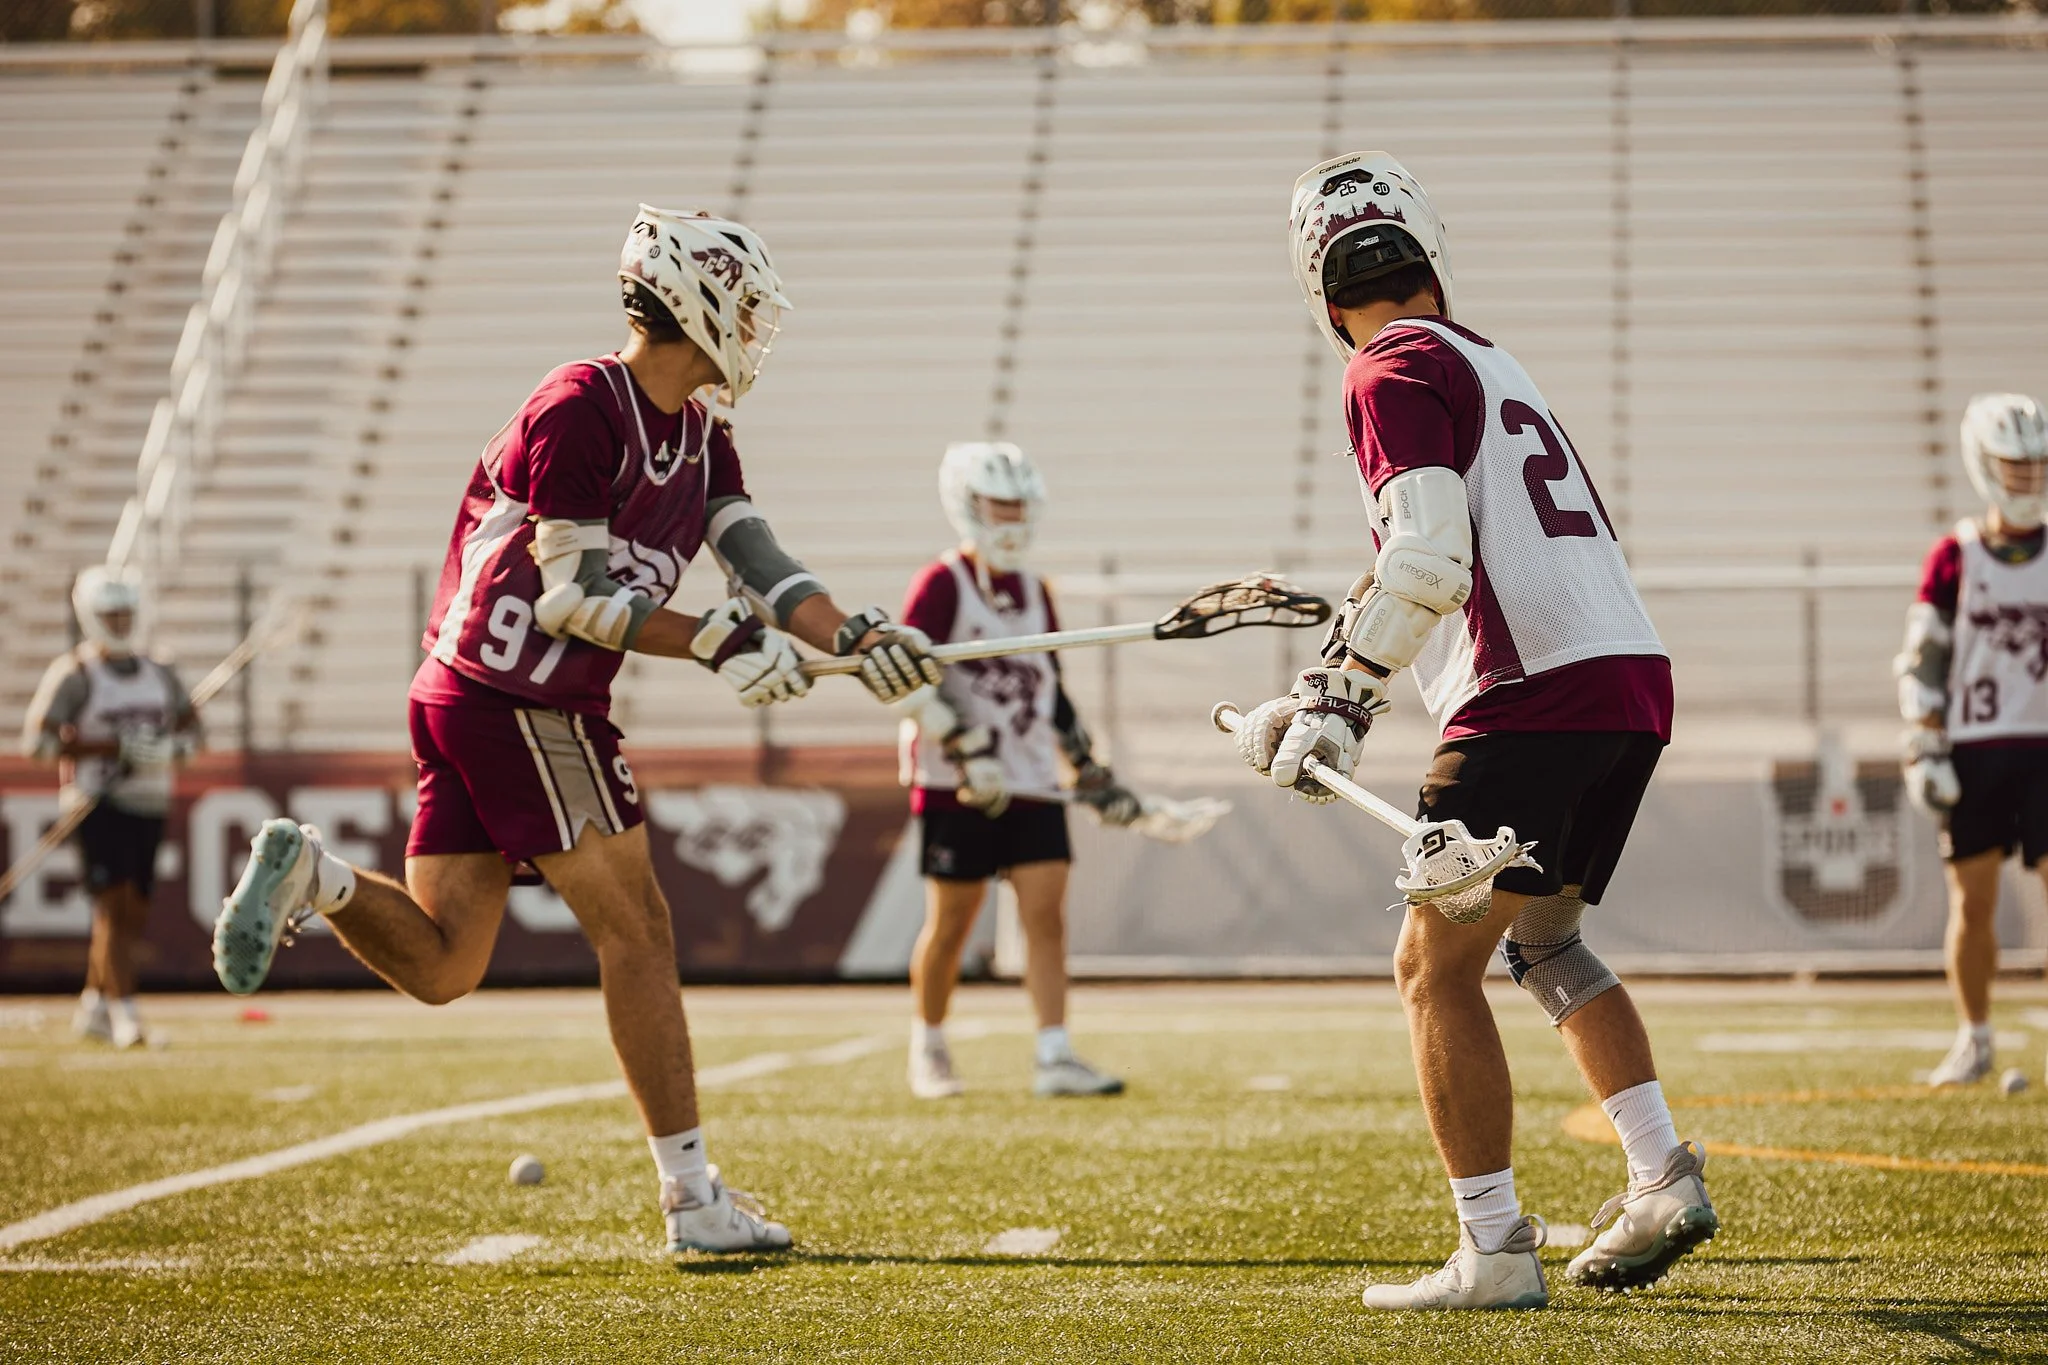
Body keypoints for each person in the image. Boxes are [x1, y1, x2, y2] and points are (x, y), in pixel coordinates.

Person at [208, 205, 941, 1254]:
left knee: (446, 967)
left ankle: (314, 877)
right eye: (741, 304)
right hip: (523, 695)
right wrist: (717, 643)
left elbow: (762, 567)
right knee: (638, 929)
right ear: (691, 300)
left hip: (470, 693)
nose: (753, 326)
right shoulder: (582, 405)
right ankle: (693, 1200)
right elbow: (575, 600)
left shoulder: (701, 438)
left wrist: (857, 636)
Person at [1236, 152, 1715, 1310]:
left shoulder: (1386, 366)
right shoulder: (1484, 358)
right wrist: (1320, 681)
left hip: (1528, 693)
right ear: (1428, 256)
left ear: (1317, 289)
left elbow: (1426, 557)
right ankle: (1659, 1176)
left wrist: (1344, 706)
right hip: (1623, 678)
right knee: (1542, 941)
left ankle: (1493, 1247)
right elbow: (1436, 549)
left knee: (1430, 965)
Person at [893, 442, 1139, 1101]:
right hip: (957, 782)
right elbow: (907, 678)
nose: (1013, 519)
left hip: (1031, 777)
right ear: (968, 505)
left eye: (1021, 506)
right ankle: (929, 1047)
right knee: (952, 920)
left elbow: (1050, 685)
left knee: (1046, 916)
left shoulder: (1035, 590)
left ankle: (1054, 1053)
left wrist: (1084, 762)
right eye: (1001, 505)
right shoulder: (942, 583)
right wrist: (966, 749)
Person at [1895, 393, 2048, 1087]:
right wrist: (1925, 741)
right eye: (2015, 465)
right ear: (1986, 466)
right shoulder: (1956, 555)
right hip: (1977, 747)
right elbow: (1923, 657)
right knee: (1974, 901)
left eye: (2035, 465)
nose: (2027, 478)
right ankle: (1975, 1037)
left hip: (2044, 747)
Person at [22, 565, 197, 1049]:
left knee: (134, 908)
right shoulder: (75, 674)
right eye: (111, 614)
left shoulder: (160, 670)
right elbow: (38, 742)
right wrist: (112, 748)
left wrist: (168, 750)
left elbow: (193, 733)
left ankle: (94, 1006)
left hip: (150, 801)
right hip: (97, 802)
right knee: (114, 907)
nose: (120, 622)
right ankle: (127, 1014)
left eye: (126, 613)